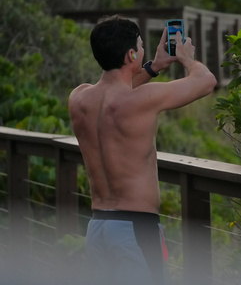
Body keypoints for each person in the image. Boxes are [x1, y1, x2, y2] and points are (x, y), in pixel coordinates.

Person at [68, 15, 216, 285]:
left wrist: (154, 66)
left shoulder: (79, 98)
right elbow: (206, 81)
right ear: (131, 54)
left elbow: (113, 95)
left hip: (98, 226)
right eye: (140, 45)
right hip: (135, 229)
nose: (143, 49)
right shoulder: (144, 100)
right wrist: (185, 57)